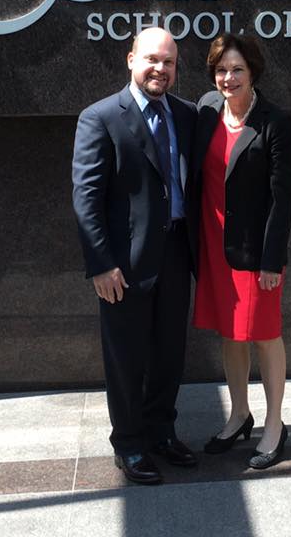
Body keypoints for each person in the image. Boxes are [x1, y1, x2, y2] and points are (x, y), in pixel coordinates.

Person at [72, 27, 198, 485]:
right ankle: (128, 444)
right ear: (130, 60)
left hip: (176, 256)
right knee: (126, 359)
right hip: (121, 266)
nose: (159, 69)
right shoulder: (100, 117)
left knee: (169, 354)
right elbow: (86, 197)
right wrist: (100, 264)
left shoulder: (186, 114)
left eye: (168, 62)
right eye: (150, 59)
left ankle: (161, 432)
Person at [192, 33, 291, 469]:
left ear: (252, 71)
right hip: (213, 245)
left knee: (264, 334)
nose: (228, 78)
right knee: (229, 332)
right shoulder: (206, 109)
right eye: (220, 69)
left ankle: (275, 424)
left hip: (256, 251)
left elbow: (282, 198)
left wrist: (273, 259)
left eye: (236, 69)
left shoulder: (276, 122)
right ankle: (239, 413)